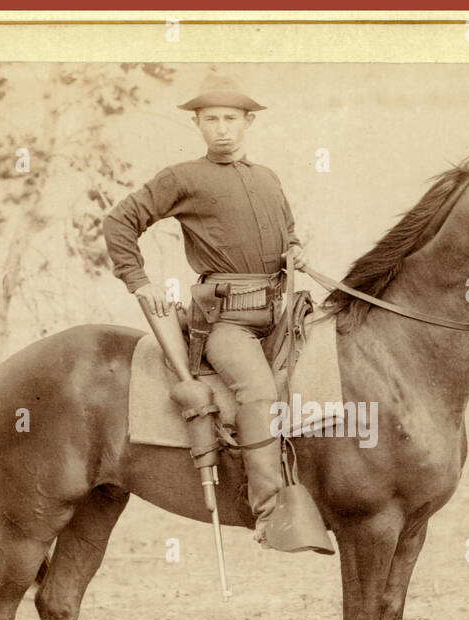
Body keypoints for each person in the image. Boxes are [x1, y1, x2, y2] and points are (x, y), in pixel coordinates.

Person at [103, 73, 313, 548]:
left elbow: (289, 230)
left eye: (231, 119)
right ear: (198, 124)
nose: (222, 129)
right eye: (211, 120)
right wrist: (140, 282)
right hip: (227, 323)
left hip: (281, 315)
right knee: (258, 392)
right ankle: (269, 512)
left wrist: (295, 249)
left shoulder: (267, 178)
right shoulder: (183, 178)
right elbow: (119, 221)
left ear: (248, 122)